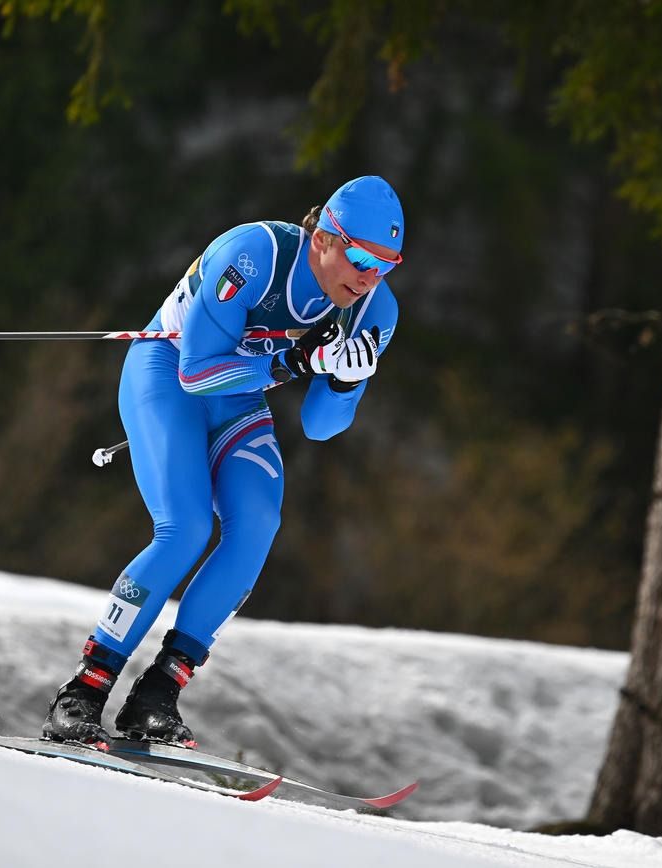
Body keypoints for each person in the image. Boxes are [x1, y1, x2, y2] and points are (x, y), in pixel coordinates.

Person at [43, 176, 405, 747]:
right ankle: (83, 691)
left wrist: (342, 382)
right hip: (168, 372)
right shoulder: (254, 254)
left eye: (385, 266)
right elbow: (196, 372)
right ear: (323, 238)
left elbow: (320, 425)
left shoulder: (375, 309)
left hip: (237, 397)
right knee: (184, 528)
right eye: (361, 258)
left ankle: (157, 695)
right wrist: (295, 360)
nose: (368, 277)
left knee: (258, 522)